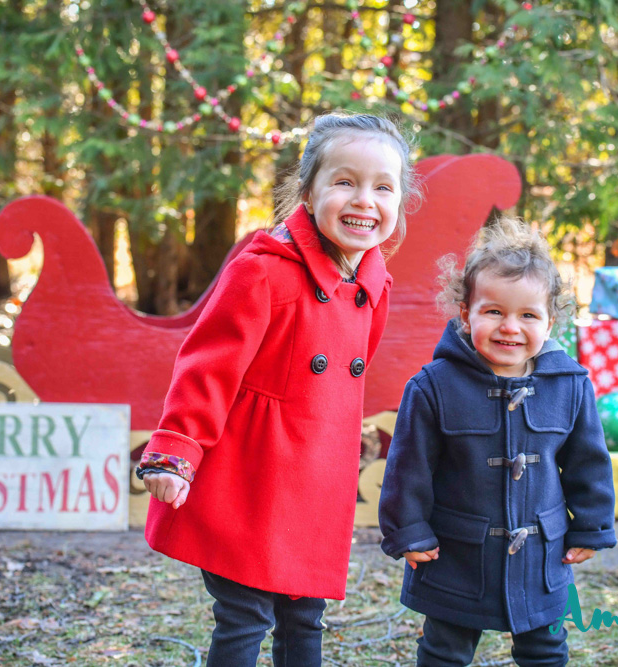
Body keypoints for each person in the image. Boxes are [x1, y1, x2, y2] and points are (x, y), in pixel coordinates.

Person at [136, 112, 420, 667]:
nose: (364, 200)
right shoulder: (263, 271)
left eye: (383, 187)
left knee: (305, 615)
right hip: (251, 476)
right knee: (245, 614)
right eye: (345, 181)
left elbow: (344, 378)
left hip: (314, 481)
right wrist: (177, 448)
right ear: (308, 193)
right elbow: (207, 367)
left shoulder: (373, 285)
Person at [378, 217, 616, 667]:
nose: (510, 327)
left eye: (528, 315)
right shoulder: (433, 387)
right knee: (444, 651)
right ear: (465, 314)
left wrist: (592, 526)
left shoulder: (570, 385)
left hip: (541, 553)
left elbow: (588, 463)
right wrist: (407, 531)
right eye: (493, 312)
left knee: (546, 650)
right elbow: (409, 468)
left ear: (550, 322)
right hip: (457, 553)